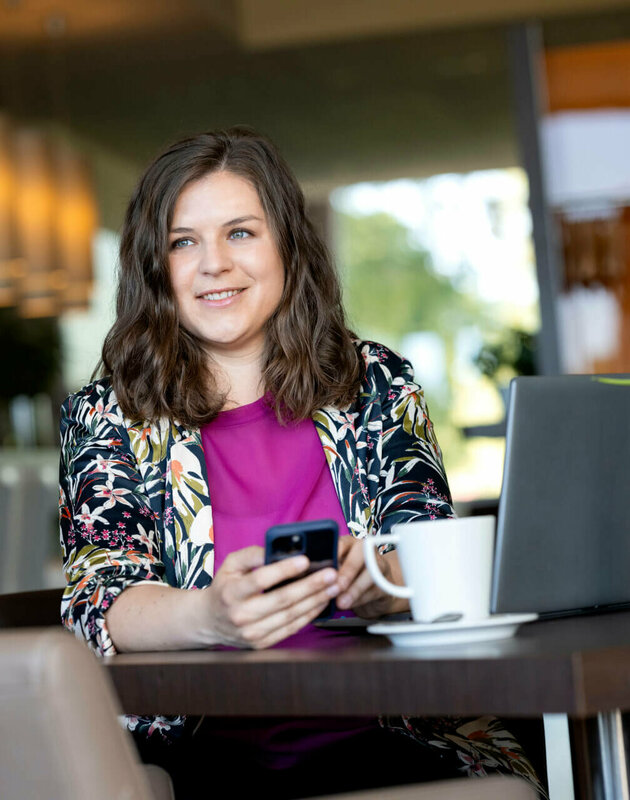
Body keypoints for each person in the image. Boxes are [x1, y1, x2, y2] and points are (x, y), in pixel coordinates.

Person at [59, 127, 545, 798]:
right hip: (198, 754)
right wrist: (211, 616)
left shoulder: (376, 382)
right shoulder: (109, 415)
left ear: (286, 243)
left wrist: (384, 580)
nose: (213, 264)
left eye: (240, 233)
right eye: (183, 241)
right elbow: (99, 597)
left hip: (395, 733)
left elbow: (427, 540)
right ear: (155, 266)